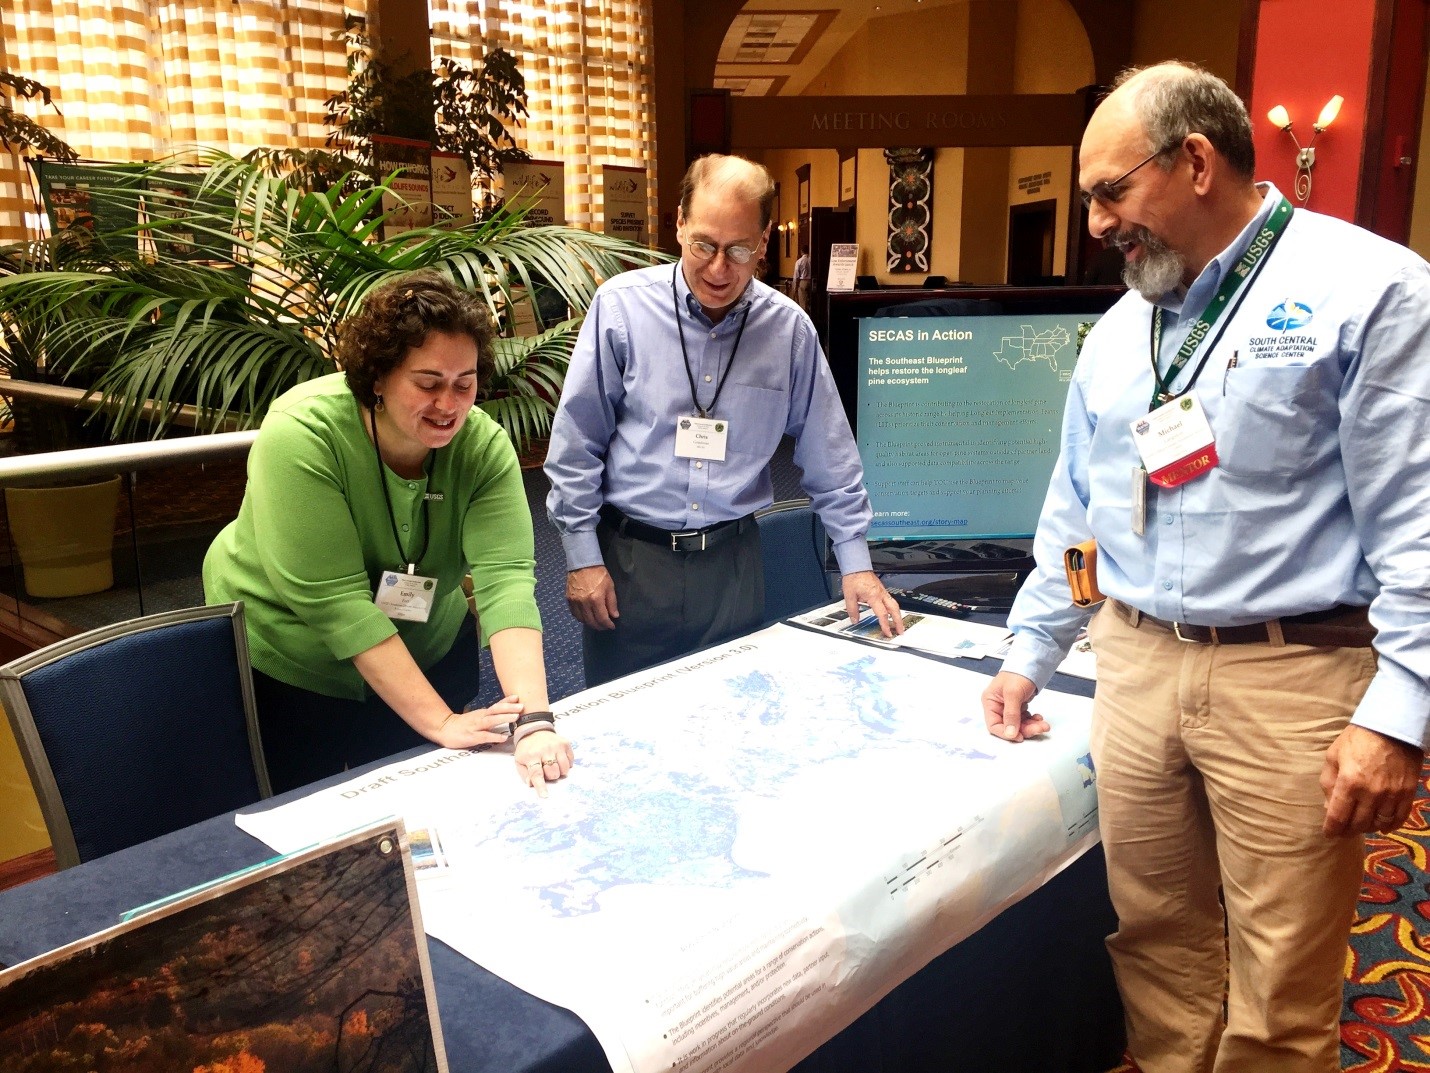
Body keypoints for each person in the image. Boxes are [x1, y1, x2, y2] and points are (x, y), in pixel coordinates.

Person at [981, 62, 1429, 1073]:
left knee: (1280, 985)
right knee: (1154, 940)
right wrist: (1029, 647)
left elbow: (1418, 524)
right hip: (1133, 666)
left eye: (1108, 191)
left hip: (1293, 678)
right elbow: (1075, 508)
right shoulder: (1114, 333)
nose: (1092, 221)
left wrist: (1398, 712)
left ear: (1194, 161)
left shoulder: (1368, 293)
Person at [205, 270, 572, 795]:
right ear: (376, 377)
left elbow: (507, 582)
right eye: (428, 384)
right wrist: (439, 722)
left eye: (464, 384)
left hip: (425, 643)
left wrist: (535, 720)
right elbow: (337, 604)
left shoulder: (484, 447)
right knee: (309, 820)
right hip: (292, 656)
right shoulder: (303, 433)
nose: (449, 405)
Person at [544, 153, 904, 687]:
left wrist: (856, 563)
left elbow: (831, 457)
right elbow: (577, 445)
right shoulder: (622, 309)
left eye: (738, 250)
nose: (718, 268)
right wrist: (581, 558)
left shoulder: (789, 332)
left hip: (734, 566)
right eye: (704, 245)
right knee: (623, 729)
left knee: (732, 723)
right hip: (629, 566)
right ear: (679, 224)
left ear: (762, 244)